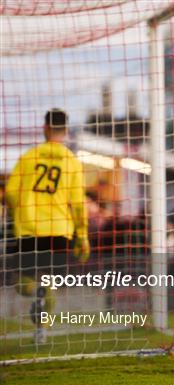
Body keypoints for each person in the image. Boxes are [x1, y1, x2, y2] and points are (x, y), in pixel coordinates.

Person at [5, 108, 90, 343]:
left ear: (45, 128)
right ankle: (41, 332)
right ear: (65, 130)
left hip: (30, 228)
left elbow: (11, 193)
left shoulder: (29, 157)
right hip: (59, 231)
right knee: (50, 282)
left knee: (22, 281)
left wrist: (20, 211)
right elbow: (79, 203)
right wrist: (81, 235)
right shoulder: (72, 162)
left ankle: (34, 293)